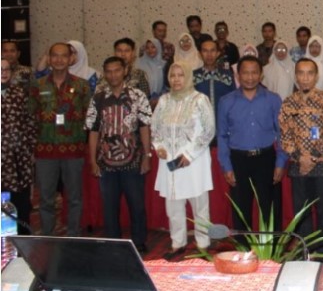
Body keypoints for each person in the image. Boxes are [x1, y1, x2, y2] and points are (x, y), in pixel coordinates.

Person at [85, 56, 152, 253]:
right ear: (104, 73)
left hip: (133, 160)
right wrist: (93, 161)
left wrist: (147, 156)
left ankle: (139, 241)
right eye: (109, 71)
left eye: (117, 70)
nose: (113, 75)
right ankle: (113, 242)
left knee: (137, 204)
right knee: (109, 206)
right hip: (106, 162)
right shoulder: (98, 98)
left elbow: (144, 127)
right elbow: (93, 131)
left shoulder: (137, 96)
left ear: (125, 71)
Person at [151, 61, 215, 260]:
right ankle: (177, 243)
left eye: (181, 75)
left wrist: (189, 154)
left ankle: (203, 244)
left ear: (188, 77)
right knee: (173, 206)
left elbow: (208, 131)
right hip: (170, 162)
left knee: (200, 206)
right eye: (172, 75)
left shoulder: (200, 100)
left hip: (193, 162)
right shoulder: (164, 101)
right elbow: (155, 128)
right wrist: (159, 146)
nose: (176, 79)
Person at [217, 56, 288, 233]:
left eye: (254, 72)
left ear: (261, 74)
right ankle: (243, 248)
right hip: (238, 161)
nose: (250, 77)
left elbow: (282, 133)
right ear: (238, 75)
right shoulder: (226, 102)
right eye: (245, 73)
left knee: (270, 211)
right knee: (241, 212)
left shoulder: (273, 99)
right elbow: (222, 136)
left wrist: (280, 162)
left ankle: (272, 248)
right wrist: (226, 166)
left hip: (266, 159)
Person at [28, 42, 91, 236]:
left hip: (74, 151)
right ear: (49, 58)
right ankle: (47, 236)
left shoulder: (81, 85)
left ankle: (73, 236)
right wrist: (31, 148)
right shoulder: (37, 85)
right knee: (46, 199)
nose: (59, 60)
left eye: (64, 55)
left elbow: (90, 117)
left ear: (71, 59)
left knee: (74, 198)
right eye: (54, 55)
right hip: (45, 152)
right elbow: (30, 116)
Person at [280, 58, 323, 248]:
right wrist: (301, 158)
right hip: (298, 166)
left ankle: (322, 252)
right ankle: (305, 252)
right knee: (301, 213)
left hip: (322, 165)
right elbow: (285, 136)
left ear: (316, 76)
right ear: (295, 76)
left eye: (310, 73)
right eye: (301, 73)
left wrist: (311, 158)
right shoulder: (288, 103)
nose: (305, 78)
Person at [2, 59, 37, 234]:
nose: (3, 73)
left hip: (19, 159)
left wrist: (30, 149)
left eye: (6, 69)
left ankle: (23, 239)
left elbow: (30, 122)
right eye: (0, 69)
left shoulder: (19, 93)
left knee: (20, 201)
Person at [194, 40, 236, 132]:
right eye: (205, 51)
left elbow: (234, 100)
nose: (209, 55)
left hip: (224, 125)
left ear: (218, 53)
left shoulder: (227, 75)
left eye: (212, 51)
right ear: (200, 54)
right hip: (200, 127)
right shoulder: (194, 77)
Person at [136, 38, 167, 105]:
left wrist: (159, 98)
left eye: (153, 47)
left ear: (158, 48)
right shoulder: (139, 64)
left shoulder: (164, 64)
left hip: (160, 100)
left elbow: (166, 84)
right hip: (142, 100)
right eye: (147, 48)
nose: (150, 50)